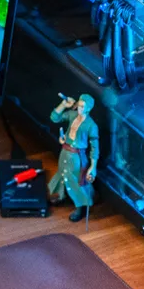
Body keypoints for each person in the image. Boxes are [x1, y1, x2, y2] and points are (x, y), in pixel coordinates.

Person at [48, 94, 99, 223]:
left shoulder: (91, 125)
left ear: (88, 108)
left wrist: (93, 166)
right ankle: (62, 195)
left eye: (82, 106)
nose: (79, 108)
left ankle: (80, 207)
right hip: (65, 151)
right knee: (62, 174)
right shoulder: (72, 115)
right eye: (79, 105)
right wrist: (63, 105)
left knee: (76, 181)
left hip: (77, 156)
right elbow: (54, 118)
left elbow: (95, 147)